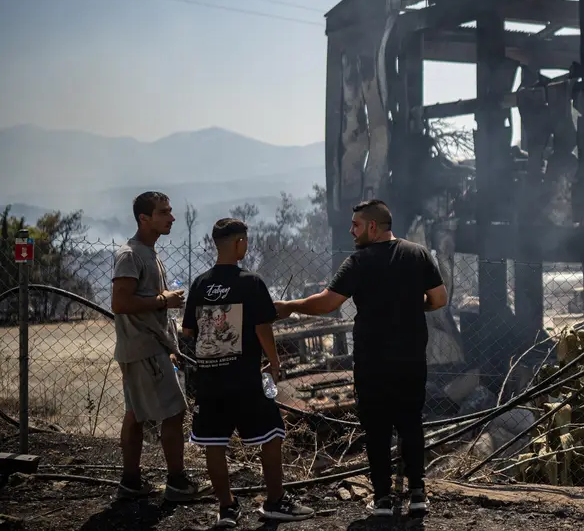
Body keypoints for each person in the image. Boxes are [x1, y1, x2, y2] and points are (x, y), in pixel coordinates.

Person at [275, 199, 448, 517]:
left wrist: (290, 306)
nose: (351, 231)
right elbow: (439, 299)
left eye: (355, 225)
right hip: (411, 359)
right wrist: (410, 305)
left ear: (372, 226)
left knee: (377, 428)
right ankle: (418, 495)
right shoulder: (418, 254)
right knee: (411, 424)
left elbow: (327, 303)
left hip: (372, 362)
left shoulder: (359, 261)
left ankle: (382, 498)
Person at [181, 218, 314, 526]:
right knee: (272, 434)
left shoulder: (200, 283)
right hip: (244, 379)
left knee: (214, 442)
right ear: (239, 243)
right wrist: (275, 361)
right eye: (246, 240)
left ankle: (226, 508)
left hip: (210, 380)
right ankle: (275, 502)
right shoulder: (250, 282)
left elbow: (188, 330)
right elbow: (262, 326)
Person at [109, 191, 203, 501]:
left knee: (136, 414)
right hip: (144, 350)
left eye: (170, 211)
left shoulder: (149, 253)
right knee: (174, 411)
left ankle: (131, 482)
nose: (172, 218)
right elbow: (120, 302)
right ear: (143, 218)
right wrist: (166, 299)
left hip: (150, 348)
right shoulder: (131, 255)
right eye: (164, 212)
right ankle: (176, 482)